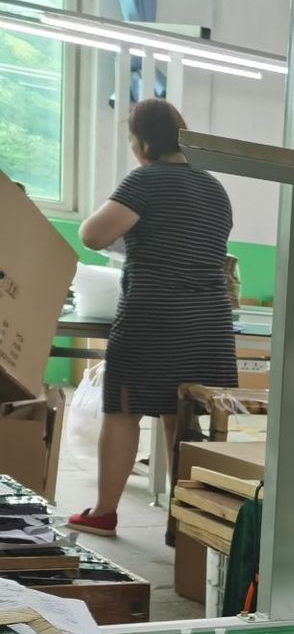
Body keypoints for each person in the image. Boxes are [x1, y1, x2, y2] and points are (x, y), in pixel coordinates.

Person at [67, 100, 237, 537]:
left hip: (155, 317)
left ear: (143, 143)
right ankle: (186, 522)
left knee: (123, 411)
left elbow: (92, 235)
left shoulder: (145, 180)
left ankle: (104, 512)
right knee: (183, 415)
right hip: (210, 322)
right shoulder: (214, 187)